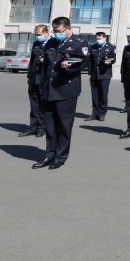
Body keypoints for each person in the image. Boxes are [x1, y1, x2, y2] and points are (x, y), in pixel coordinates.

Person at [35, 17, 87, 170]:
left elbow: (84, 63)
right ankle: (49, 153)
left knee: (64, 125)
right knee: (50, 124)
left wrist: (70, 66)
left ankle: (60, 156)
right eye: (54, 31)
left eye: (59, 31)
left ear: (68, 29)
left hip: (66, 90)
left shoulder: (79, 44)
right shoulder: (51, 42)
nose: (56, 34)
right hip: (49, 89)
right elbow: (44, 64)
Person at [18, 24, 48, 138]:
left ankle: (41, 127)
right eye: (35, 34)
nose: (37, 36)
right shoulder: (36, 43)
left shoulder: (52, 44)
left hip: (43, 79)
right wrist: (29, 76)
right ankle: (33, 127)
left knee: (42, 105)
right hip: (33, 78)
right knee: (34, 104)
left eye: (39, 34)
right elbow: (32, 61)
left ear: (46, 33)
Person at [85, 31, 114, 122]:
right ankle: (94, 113)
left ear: (105, 38)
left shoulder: (111, 47)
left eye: (100, 38)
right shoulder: (93, 47)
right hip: (94, 75)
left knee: (103, 95)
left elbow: (113, 58)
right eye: (97, 39)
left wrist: (109, 62)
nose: (98, 40)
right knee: (95, 95)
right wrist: (89, 72)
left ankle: (102, 113)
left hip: (104, 74)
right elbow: (90, 61)